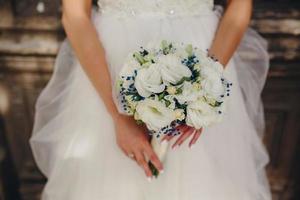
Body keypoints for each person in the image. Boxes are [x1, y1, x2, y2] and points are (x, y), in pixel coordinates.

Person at [29, 0, 272, 199]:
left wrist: (204, 87)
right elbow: (75, 14)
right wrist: (117, 113)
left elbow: (239, 6)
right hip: (111, 69)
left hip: (202, 57)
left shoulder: (203, 79)